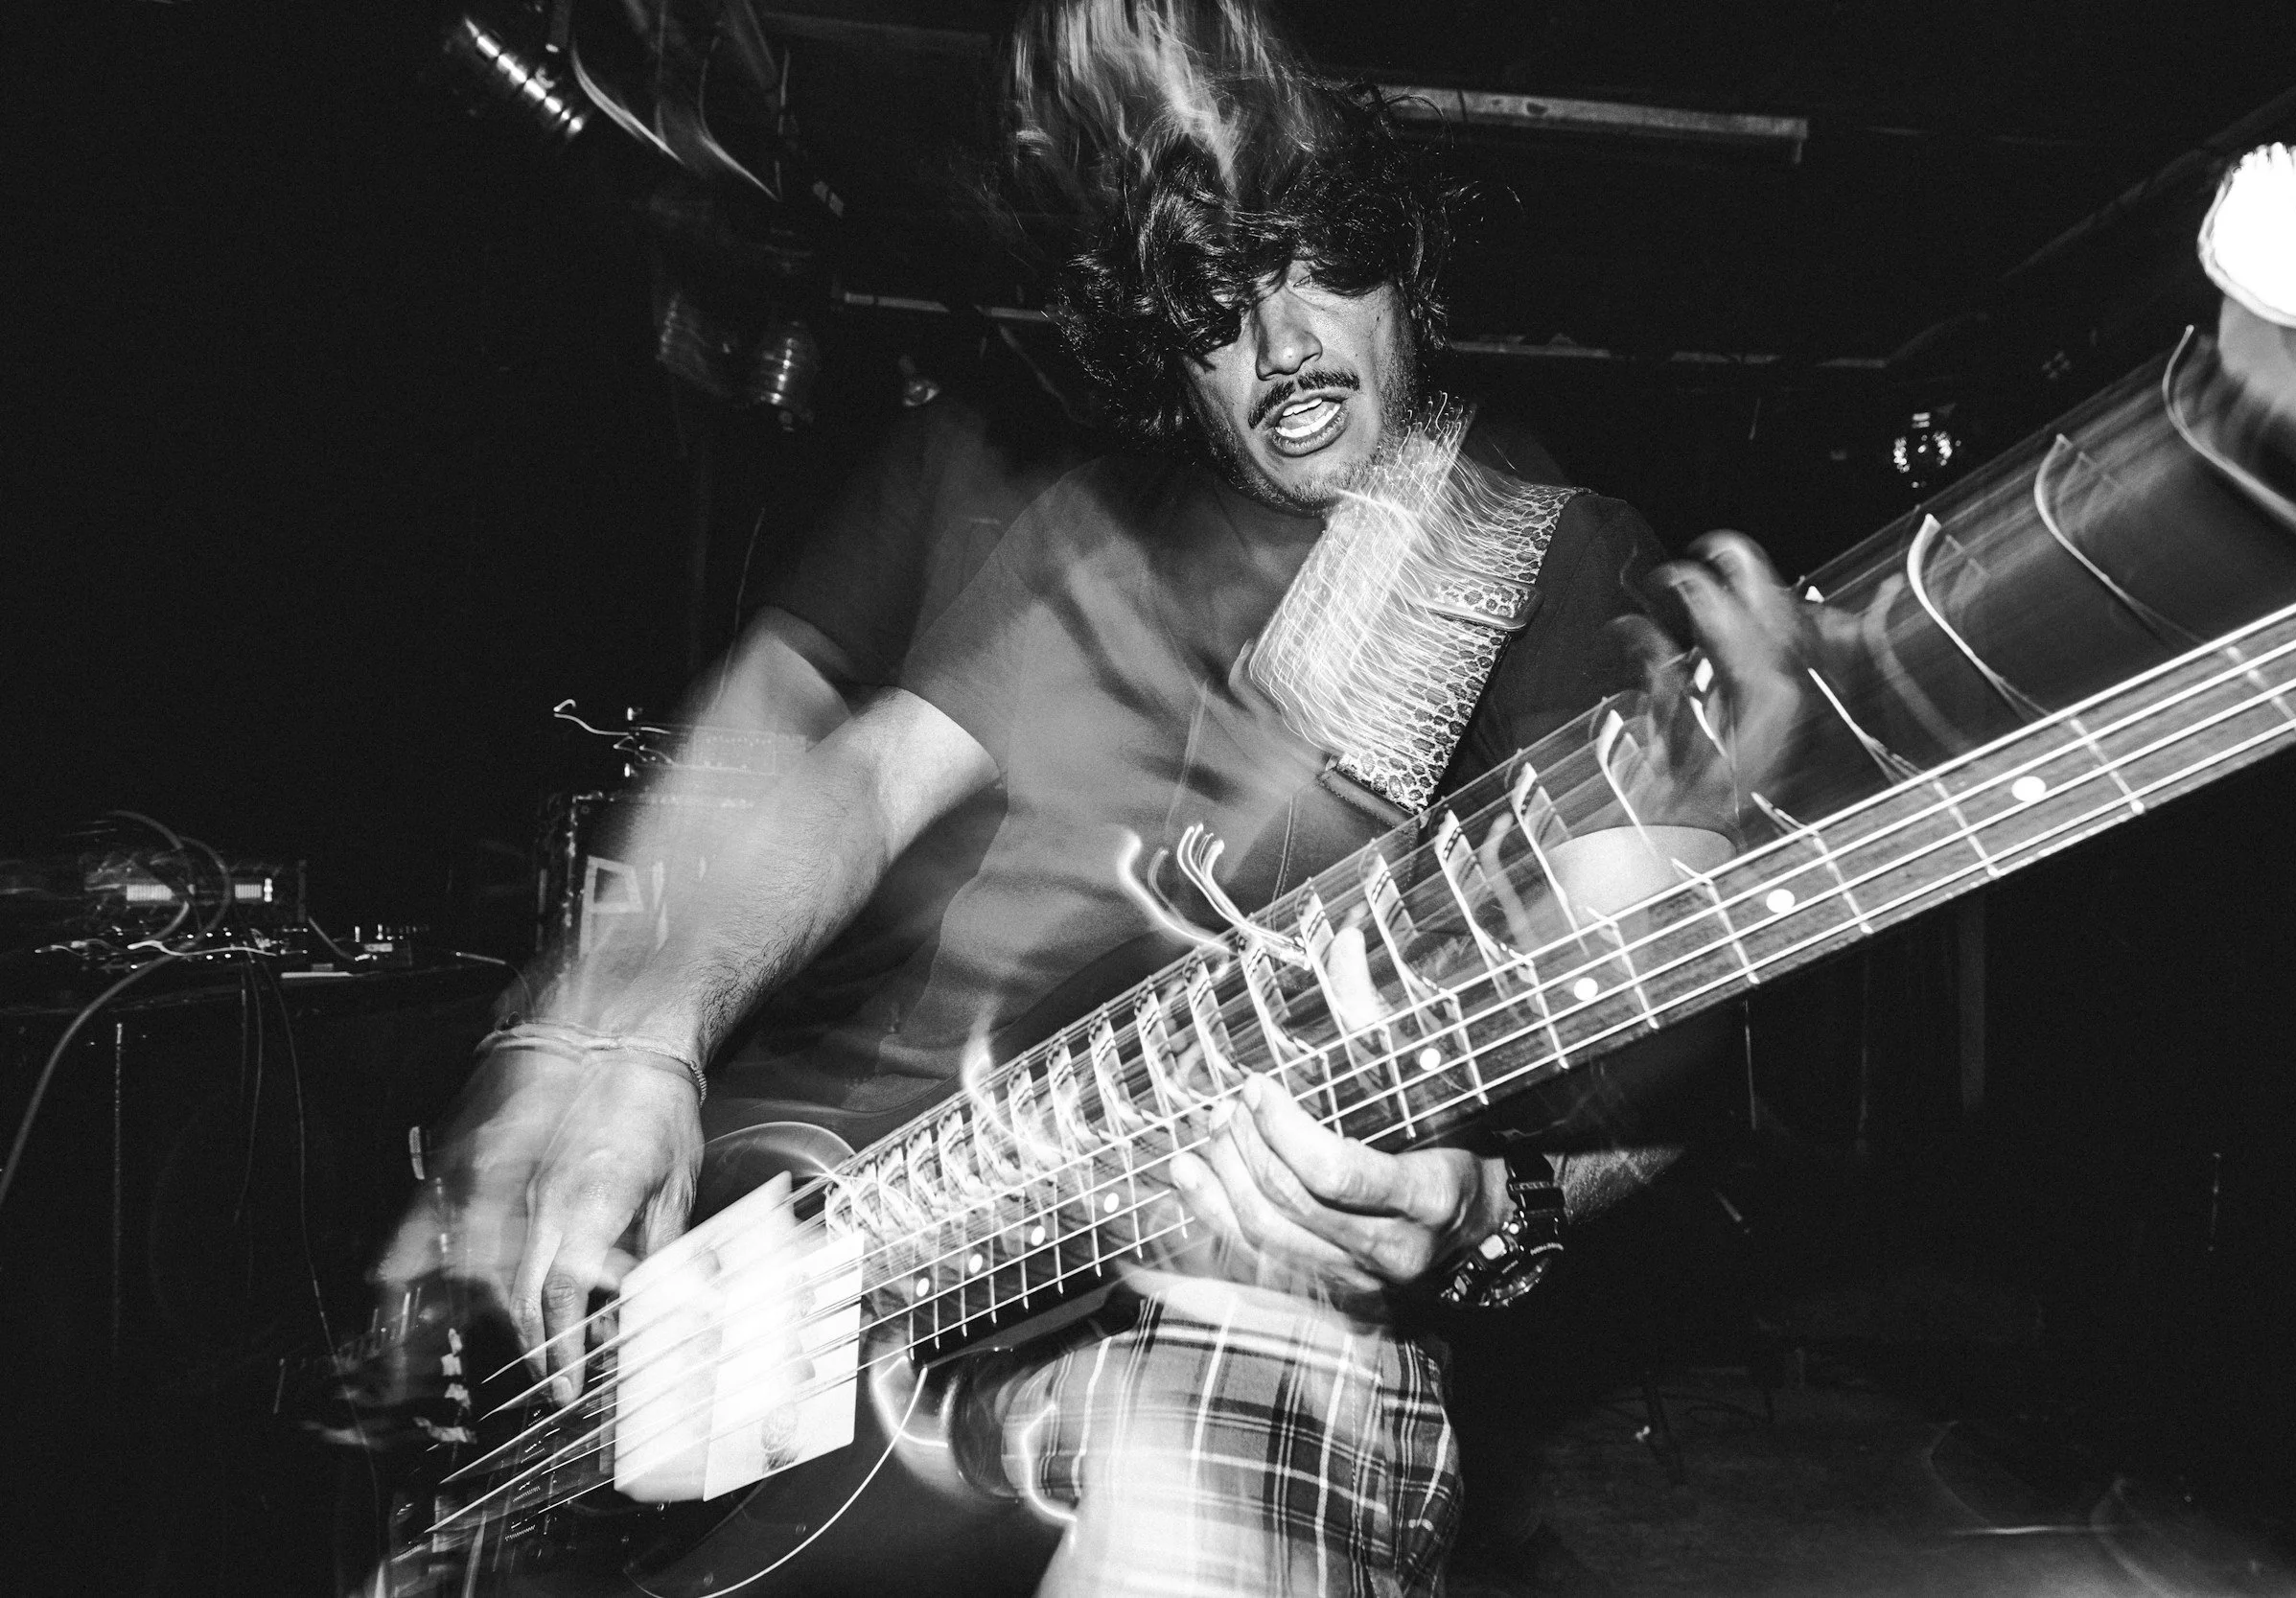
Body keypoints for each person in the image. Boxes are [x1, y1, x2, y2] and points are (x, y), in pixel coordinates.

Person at [382, 4, 1813, 1591]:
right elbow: (851, 788)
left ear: (1406, 263)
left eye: (1321, 254)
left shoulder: (1545, 557)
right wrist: (634, 1036)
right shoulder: (1092, 528)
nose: (1281, 341)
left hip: (1246, 1319)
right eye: (1211, 295)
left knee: (1202, 1470)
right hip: (896, 1273)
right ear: (1164, 341)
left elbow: (1660, 1051)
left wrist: (1480, 1207)